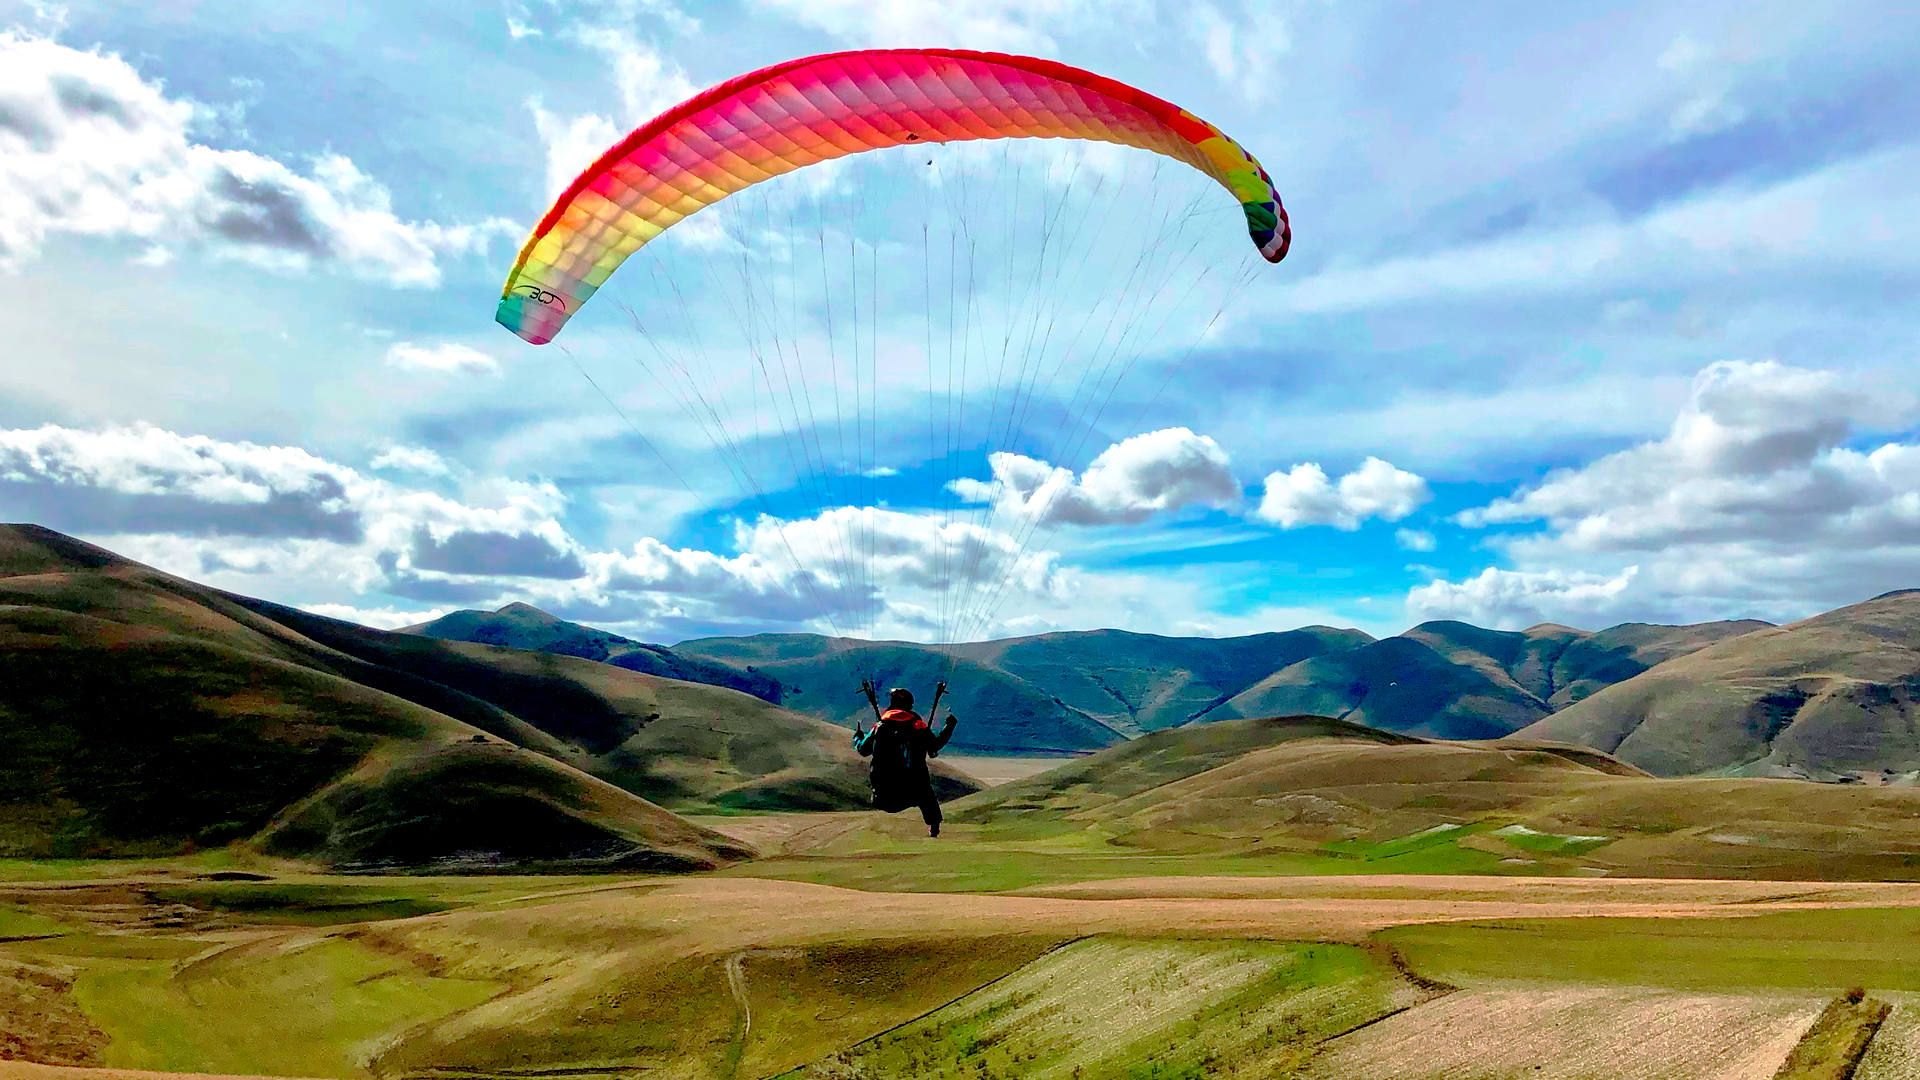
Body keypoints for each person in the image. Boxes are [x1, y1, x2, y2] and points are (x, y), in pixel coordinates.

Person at [854, 681, 958, 837]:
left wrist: (858, 737)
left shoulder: (880, 727)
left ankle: (933, 824)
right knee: (925, 791)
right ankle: (933, 826)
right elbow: (934, 748)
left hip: (883, 797)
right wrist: (949, 726)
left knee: (918, 787)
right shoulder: (918, 727)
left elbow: (863, 750)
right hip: (913, 794)